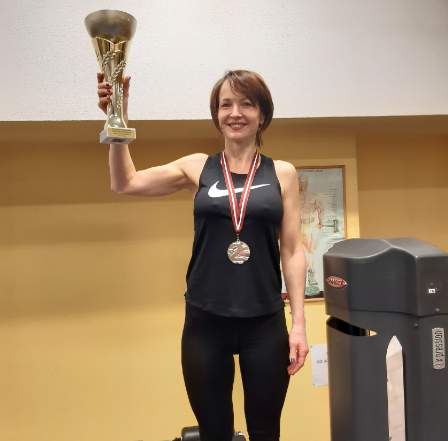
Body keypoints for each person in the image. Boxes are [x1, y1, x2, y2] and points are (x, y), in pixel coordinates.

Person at [97, 70, 308, 441]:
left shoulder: (282, 173)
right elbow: (124, 182)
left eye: (246, 104)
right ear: (216, 115)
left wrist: (299, 324)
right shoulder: (197, 167)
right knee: (214, 433)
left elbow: (291, 251)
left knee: (265, 431)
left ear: (262, 114)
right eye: (225, 105)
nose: (235, 112)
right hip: (205, 322)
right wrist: (118, 117)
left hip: (264, 322)